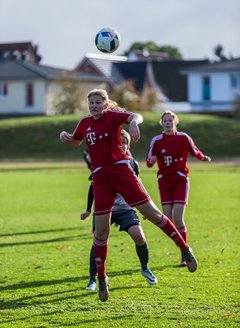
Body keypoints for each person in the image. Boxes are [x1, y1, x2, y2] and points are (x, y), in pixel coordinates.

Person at [60, 88, 198, 302]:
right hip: (101, 179)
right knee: (101, 232)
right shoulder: (85, 123)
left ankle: (185, 249)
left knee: (153, 214)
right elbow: (75, 141)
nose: (94, 105)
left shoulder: (113, 117)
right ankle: (102, 278)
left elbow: (136, 115)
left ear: (106, 104)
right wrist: (65, 137)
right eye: (91, 102)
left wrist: (133, 123)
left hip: (122, 172)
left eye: (98, 101)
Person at [81, 129, 157, 291]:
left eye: (124, 143)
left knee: (139, 236)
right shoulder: (103, 160)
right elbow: (92, 186)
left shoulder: (132, 163)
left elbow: (138, 186)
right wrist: (88, 210)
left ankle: (145, 268)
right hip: (103, 210)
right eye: (118, 142)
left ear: (128, 145)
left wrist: (145, 208)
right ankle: (93, 279)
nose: (121, 145)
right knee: (98, 241)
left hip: (125, 209)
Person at [146, 110, 211, 266]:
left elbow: (195, 151)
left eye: (170, 120)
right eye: (165, 120)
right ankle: (183, 248)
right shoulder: (157, 140)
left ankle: (184, 254)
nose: (168, 122)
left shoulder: (183, 137)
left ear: (175, 122)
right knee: (168, 219)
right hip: (164, 182)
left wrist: (203, 158)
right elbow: (148, 162)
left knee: (178, 218)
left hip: (181, 180)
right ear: (161, 123)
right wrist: (152, 161)